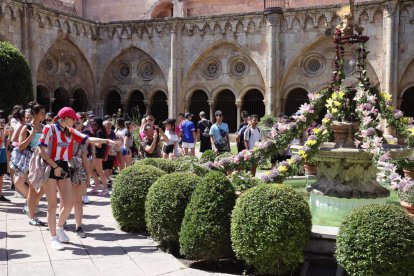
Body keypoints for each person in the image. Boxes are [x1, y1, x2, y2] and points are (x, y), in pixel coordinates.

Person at [38, 107, 117, 250]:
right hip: (50, 166)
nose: (75, 121)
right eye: (73, 118)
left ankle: (60, 227)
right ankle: (53, 237)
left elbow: (88, 139)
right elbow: (41, 150)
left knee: (69, 203)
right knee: (52, 205)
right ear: (65, 118)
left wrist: (106, 140)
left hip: (64, 166)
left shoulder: (70, 131)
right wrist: (55, 166)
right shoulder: (49, 129)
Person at [18, 102, 47, 226]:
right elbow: (20, 146)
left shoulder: (45, 127)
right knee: (33, 190)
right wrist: (32, 135)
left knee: (45, 189)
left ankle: (29, 206)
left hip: (45, 161)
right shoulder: (27, 128)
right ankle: (32, 217)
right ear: (34, 114)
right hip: (32, 161)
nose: (44, 115)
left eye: (44, 113)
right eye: (42, 113)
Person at [91, 118, 110, 196]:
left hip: (98, 153)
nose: (93, 124)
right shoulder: (102, 131)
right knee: (92, 169)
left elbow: (99, 145)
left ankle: (105, 188)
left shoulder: (99, 132)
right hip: (99, 153)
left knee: (99, 171)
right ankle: (98, 184)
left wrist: (91, 141)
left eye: (94, 123)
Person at [0, 115, 10, 202]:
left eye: (3, 122)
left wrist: (8, 136)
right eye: (1, 122)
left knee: (1, 176)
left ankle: (0, 194)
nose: (2, 123)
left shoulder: (2, 131)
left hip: (2, 153)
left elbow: (6, 145)